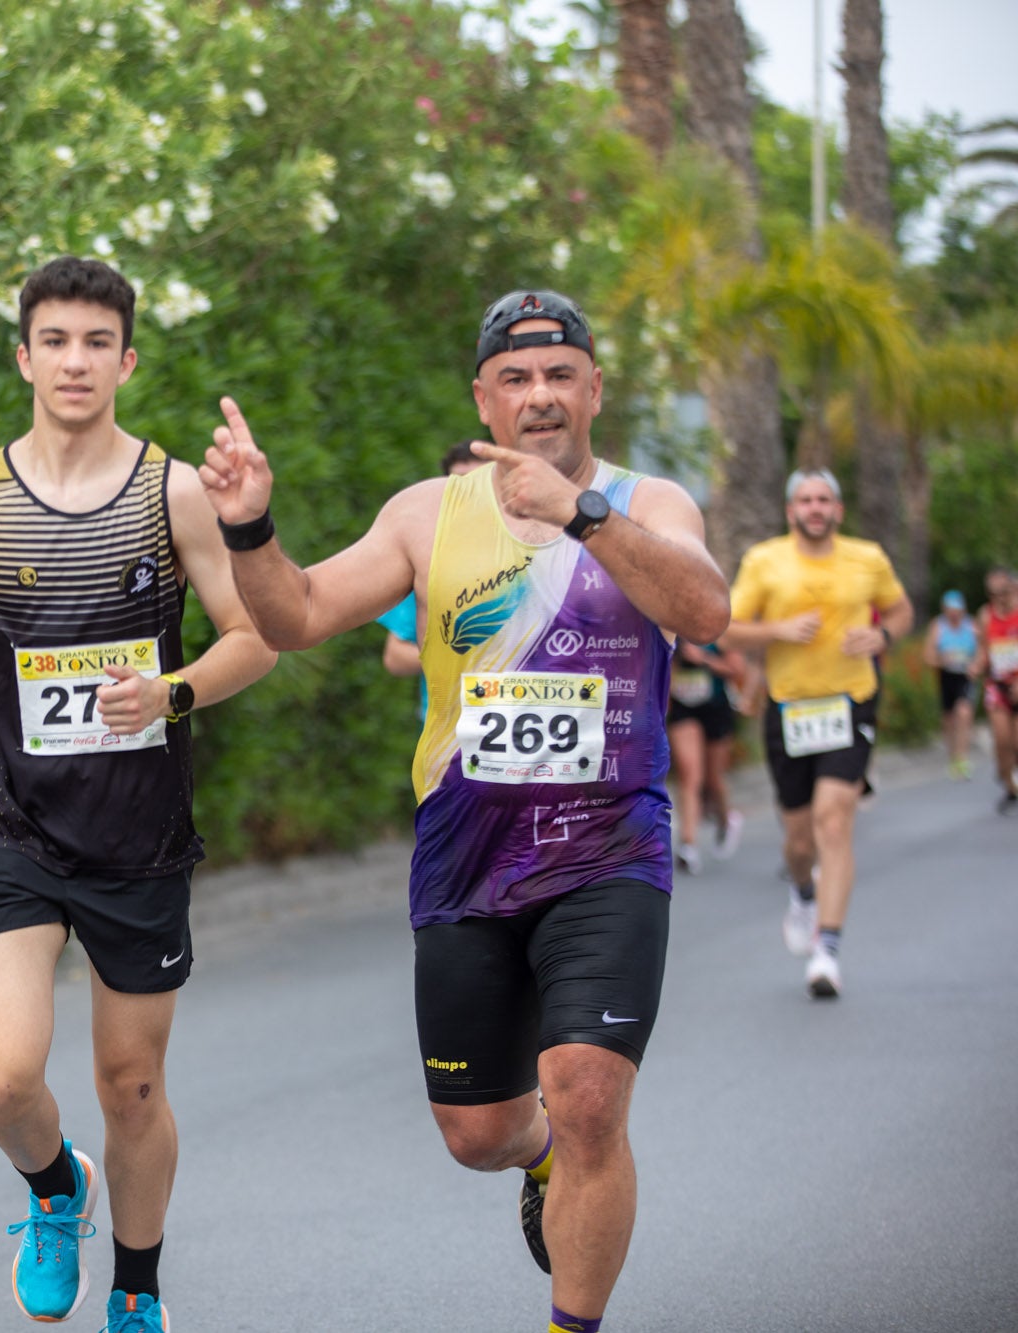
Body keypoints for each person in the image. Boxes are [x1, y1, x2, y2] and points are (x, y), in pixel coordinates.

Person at [203, 289, 728, 1333]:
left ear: (594, 389)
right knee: (476, 1131)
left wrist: (582, 513)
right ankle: (536, 1157)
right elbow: (296, 615)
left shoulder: (648, 502)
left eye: (560, 374)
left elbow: (704, 608)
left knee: (587, 1096)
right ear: (483, 400)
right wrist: (248, 526)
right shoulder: (424, 513)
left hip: (608, 854)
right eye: (515, 378)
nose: (540, 395)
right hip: (466, 863)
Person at [0, 256, 276, 1332]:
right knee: (3, 1081)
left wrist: (172, 692)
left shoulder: (169, 491)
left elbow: (254, 637)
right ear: (24, 357)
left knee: (129, 1085)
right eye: (54, 340)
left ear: (126, 362)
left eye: (97, 342)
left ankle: (136, 1289)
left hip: (138, 835)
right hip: (10, 822)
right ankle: (57, 1189)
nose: (74, 361)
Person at [724, 470, 912, 998]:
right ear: (791, 511)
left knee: (834, 819)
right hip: (789, 708)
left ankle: (827, 950)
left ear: (838, 509)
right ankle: (803, 892)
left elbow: (901, 610)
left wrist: (883, 634)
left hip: (850, 701)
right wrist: (776, 631)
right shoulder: (765, 560)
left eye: (824, 500)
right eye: (805, 500)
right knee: (800, 840)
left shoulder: (867, 557)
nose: (815, 508)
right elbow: (726, 627)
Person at [378, 439, 489, 715]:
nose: (469, 493)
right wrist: (464, 656)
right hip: (448, 727)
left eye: (480, 482)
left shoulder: (540, 550)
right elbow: (395, 657)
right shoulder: (431, 559)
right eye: (459, 484)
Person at [666, 641, 747, 872]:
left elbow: (736, 669)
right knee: (689, 775)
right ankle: (688, 845)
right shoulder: (672, 630)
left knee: (714, 779)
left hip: (715, 708)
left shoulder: (719, 632)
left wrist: (703, 659)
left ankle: (725, 820)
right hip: (683, 709)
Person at [924, 590, 980, 781]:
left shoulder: (972, 625)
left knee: (964, 712)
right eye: (950, 610)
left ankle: (962, 758)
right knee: (948, 719)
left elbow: (983, 650)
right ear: (945, 610)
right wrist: (942, 660)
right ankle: (953, 756)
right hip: (946, 676)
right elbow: (928, 656)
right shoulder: (938, 626)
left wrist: (976, 665)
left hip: (965, 676)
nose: (954, 614)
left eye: (957, 610)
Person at [978, 567, 1018, 813]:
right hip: (997, 684)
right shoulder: (986, 615)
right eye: (992, 593)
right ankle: (1010, 786)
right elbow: (984, 650)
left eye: (1002, 591)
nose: (998, 598)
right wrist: (976, 664)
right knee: (1002, 740)